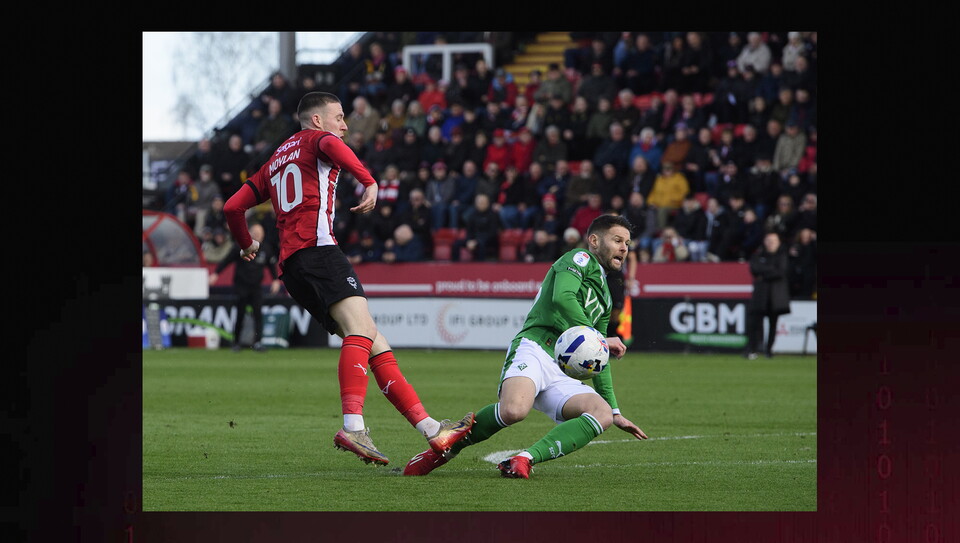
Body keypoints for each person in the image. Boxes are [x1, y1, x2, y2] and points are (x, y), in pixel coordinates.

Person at [222, 91, 474, 466]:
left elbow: (232, 207)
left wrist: (246, 244)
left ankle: (432, 429)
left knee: (374, 339)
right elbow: (331, 146)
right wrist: (368, 181)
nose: (344, 125)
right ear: (317, 120)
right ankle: (353, 426)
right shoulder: (318, 139)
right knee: (361, 331)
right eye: (339, 117)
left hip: (292, 266)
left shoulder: (274, 159)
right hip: (320, 252)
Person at [403, 214, 648, 478]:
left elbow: (598, 357)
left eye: (627, 243)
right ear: (594, 240)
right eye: (617, 240)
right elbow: (562, 297)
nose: (624, 248)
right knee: (513, 410)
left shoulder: (605, 299)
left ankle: (523, 459)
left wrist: (615, 410)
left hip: (561, 368)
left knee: (601, 414)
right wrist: (596, 336)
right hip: (535, 347)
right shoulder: (579, 259)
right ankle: (441, 451)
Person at [209, 222, 281, 352]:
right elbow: (226, 261)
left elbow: (272, 266)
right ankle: (236, 342)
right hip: (241, 285)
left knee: (258, 315)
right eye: (256, 233)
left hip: (256, 286)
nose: (258, 236)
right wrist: (216, 274)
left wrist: (275, 280)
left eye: (260, 234)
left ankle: (258, 342)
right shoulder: (240, 246)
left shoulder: (266, 249)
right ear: (250, 234)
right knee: (240, 314)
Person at [745, 231, 791, 359]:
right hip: (761, 295)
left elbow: (781, 272)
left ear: (778, 243)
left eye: (773, 241)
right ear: (764, 242)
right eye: (768, 241)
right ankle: (753, 349)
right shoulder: (759, 254)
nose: (770, 244)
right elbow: (754, 268)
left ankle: (768, 350)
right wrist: (771, 270)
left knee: (773, 324)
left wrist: (763, 273)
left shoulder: (782, 255)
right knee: (755, 323)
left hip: (776, 296)